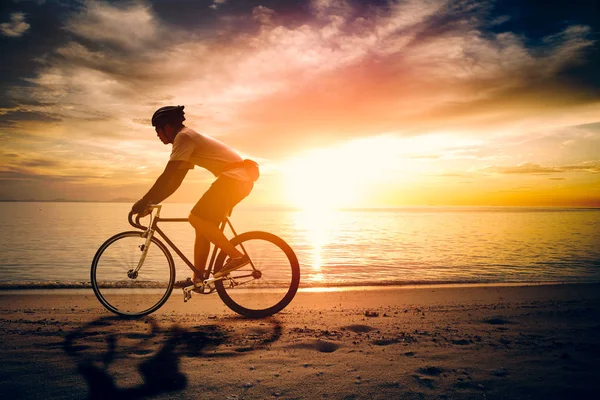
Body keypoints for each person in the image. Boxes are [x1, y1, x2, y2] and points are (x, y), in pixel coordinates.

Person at [131, 105, 259, 288]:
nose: (157, 135)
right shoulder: (186, 139)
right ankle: (198, 280)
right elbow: (175, 182)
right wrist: (151, 202)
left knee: (195, 217)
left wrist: (144, 201)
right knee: (203, 226)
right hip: (238, 180)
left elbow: (168, 175)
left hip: (235, 179)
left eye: (158, 130)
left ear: (167, 127)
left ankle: (236, 256)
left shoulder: (183, 138)